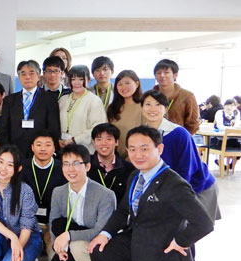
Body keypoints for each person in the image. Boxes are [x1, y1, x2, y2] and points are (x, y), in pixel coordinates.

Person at [88, 126, 213, 261]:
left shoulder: (175, 184)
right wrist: (105, 233)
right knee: (98, 250)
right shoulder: (135, 176)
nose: (138, 155)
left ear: (159, 149)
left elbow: (204, 222)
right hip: (137, 242)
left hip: (164, 253)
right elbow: (122, 211)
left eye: (145, 149)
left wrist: (180, 241)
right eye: (132, 149)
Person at [46, 144, 115, 261]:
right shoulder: (58, 192)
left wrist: (69, 236)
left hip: (96, 247)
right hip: (70, 246)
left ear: (88, 166)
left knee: (77, 245)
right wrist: (59, 246)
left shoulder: (105, 195)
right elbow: (53, 222)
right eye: (66, 164)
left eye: (77, 163)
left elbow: (101, 231)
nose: (71, 169)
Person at [140, 90, 219, 223]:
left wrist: (176, 198)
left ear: (165, 109)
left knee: (187, 234)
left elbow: (186, 170)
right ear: (142, 108)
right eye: (148, 104)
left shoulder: (179, 133)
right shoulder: (141, 134)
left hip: (196, 188)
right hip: (167, 191)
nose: (152, 109)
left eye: (158, 104)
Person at [1, 60, 61, 159]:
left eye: (31, 73)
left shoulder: (49, 99)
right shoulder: (9, 100)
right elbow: (4, 129)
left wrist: (50, 150)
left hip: (41, 151)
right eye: (23, 74)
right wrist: (7, 151)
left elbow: (53, 128)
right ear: (19, 77)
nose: (27, 77)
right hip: (14, 151)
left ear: (39, 76)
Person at [20, 130, 67, 226]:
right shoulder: (22, 168)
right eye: (39, 145)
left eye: (48, 145)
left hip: (54, 221)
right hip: (27, 221)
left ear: (54, 148)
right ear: (32, 147)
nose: (43, 149)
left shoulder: (63, 169)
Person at [58, 65, 107, 153]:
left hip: (85, 150)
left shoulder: (94, 101)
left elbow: (97, 128)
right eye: (73, 79)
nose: (76, 83)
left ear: (88, 80)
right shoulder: (63, 99)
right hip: (64, 148)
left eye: (81, 79)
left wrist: (74, 140)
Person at [87, 123, 135, 202]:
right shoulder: (85, 166)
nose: (103, 143)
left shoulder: (129, 169)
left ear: (116, 142)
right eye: (99, 139)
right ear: (93, 142)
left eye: (108, 139)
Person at [152, 59, 200, 134]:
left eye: (166, 72)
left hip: (177, 139)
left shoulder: (187, 96)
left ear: (175, 75)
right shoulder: (150, 96)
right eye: (158, 73)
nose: (162, 75)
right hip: (152, 139)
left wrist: (183, 138)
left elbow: (193, 123)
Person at [106, 70, 143, 159]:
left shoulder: (143, 107)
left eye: (127, 83)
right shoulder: (111, 108)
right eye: (120, 84)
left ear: (137, 84)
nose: (124, 87)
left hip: (135, 158)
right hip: (113, 158)